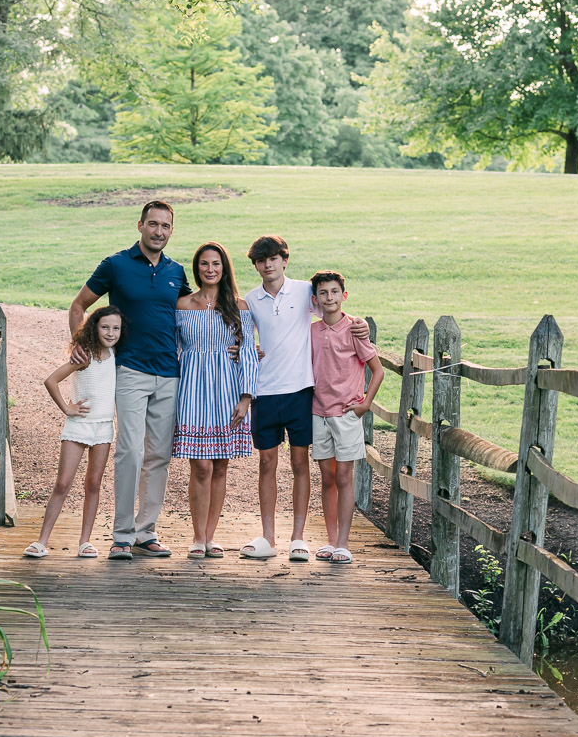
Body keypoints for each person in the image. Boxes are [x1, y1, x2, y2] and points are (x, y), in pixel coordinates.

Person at [69, 201, 191, 560]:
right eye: (152, 224)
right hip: (130, 370)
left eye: (165, 226)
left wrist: (238, 341)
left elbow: (198, 314)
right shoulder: (116, 265)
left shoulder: (177, 272)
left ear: (171, 231)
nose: (158, 232)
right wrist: (81, 345)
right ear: (140, 225)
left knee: (158, 454)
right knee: (130, 451)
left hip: (170, 372)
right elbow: (79, 306)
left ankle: (145, 532)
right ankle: (121, 535)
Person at [239, 235, 369, 561]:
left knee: (300, 464)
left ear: (285, 260)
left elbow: (333, 307)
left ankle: (298, 537)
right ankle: (268, 537)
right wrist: (240, 349)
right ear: (255, 265)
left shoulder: (302, 291)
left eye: (274, 258)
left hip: (300, 392)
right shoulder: (250, 300)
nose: (268, 265)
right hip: (264, 392)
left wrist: (360, 323)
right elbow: (239, 337)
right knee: (267, 463)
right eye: (261, 260)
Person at [173, 243, 260, 559]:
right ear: (196, 269)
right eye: (204, 264)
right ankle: (197, 536)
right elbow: (173, 349)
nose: (210, 269)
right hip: (192, 387)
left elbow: (248, 351)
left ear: (224, 268)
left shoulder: (239, 306)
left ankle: (211, 536)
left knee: (221, 466)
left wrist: (246, 397)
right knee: (200, 467)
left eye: (216, 264)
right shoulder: (182, 304)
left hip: (228, 387)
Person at [23, 306, 124, 559]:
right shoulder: (85, 355)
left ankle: (85, 542)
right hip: (79, 425)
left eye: (116, 328)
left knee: (93, 483)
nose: (110, 332)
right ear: (94, 327)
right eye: (105, 327)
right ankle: (41, 541)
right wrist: (67, 408)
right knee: (63, 483)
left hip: (103, 427)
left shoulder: (117, 355)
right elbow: (51, 380)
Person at [308, 271, 383, 564]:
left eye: (335, 292)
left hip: (347, 414)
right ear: (315, 299)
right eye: (324, 293)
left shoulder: (354, 329)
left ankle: (343, 542)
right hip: (318, 412)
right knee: (326, 477)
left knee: (343, 476)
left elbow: (377, 370)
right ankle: (329, 540)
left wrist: (365, 404)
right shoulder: (312, 331)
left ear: (344, 295)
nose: (330, 298)